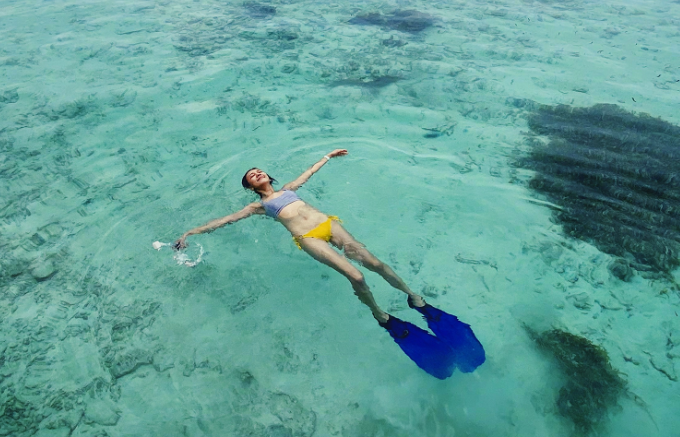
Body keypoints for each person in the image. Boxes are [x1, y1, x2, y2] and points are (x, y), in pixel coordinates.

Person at [174, 149, 485, 379]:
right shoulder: (258, 206)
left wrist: (327, 156)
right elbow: (224, 220)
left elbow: (309, 173)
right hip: (309, 238)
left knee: (374, 262)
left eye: (259, 170)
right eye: (251, 175)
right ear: (250, 186)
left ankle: (413, 297)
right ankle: (380, 315)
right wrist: (191, 231)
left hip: (328, 224)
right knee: (357, 277)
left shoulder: (289, 190)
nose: (257, 173)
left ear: (268, 176)